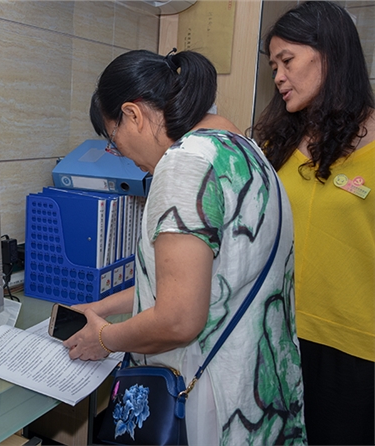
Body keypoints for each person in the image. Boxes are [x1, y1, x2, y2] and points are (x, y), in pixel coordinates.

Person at [63, 48, 306, 445]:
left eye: (113, 139)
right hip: (258, 395)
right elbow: (203, 280)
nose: (121, 154)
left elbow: (178, 319)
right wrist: (102, 308)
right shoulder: (245, 152)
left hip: (207, 404)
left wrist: (104, 338)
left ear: (133, 115)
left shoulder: (183, 165)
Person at [253, 2, 375, 445]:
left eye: (287, 61)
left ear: (331, 54)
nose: (279, 76)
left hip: (356, 348)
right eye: (274, 67)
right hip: (277, 335)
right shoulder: (275, 143)